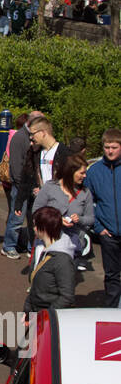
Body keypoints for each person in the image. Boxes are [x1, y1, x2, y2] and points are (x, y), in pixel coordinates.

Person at [32, 154, 94, 265]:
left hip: (71, 245)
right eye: (81, 173)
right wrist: (57, 220)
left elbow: (90, 219)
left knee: (66, 279)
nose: (85, 176)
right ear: (71, 172)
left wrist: (79, 219)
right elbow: (36, 211)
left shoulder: (85, 193)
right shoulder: (50, 187)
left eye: (85, 173)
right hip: (47, 242)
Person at [84, 130, 121, 306]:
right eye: (107, 147)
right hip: (108, 233)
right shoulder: (94, 171)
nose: (110, 151)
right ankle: (112, 311)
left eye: (114, 147)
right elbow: (87, 201)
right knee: (112, 275)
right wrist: (99, 228)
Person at [1, 111, 42, 259]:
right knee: (17, 217)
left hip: (34, 184)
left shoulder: (36, 136)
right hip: (21, 185)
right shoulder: (19, 137)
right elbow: (16, 165)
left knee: (33, 218)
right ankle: (9, 245)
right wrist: (21, 184)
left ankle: (32, 245)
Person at [23, 207, 76, 312]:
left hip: (50, 318)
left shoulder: (63, 260)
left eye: (35, 225)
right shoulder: (41, 249)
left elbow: (67, 297)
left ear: (44, 228)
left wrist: (47, 316)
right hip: (36, 311)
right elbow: (34, 287)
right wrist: (27, 310)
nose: (33, 228)